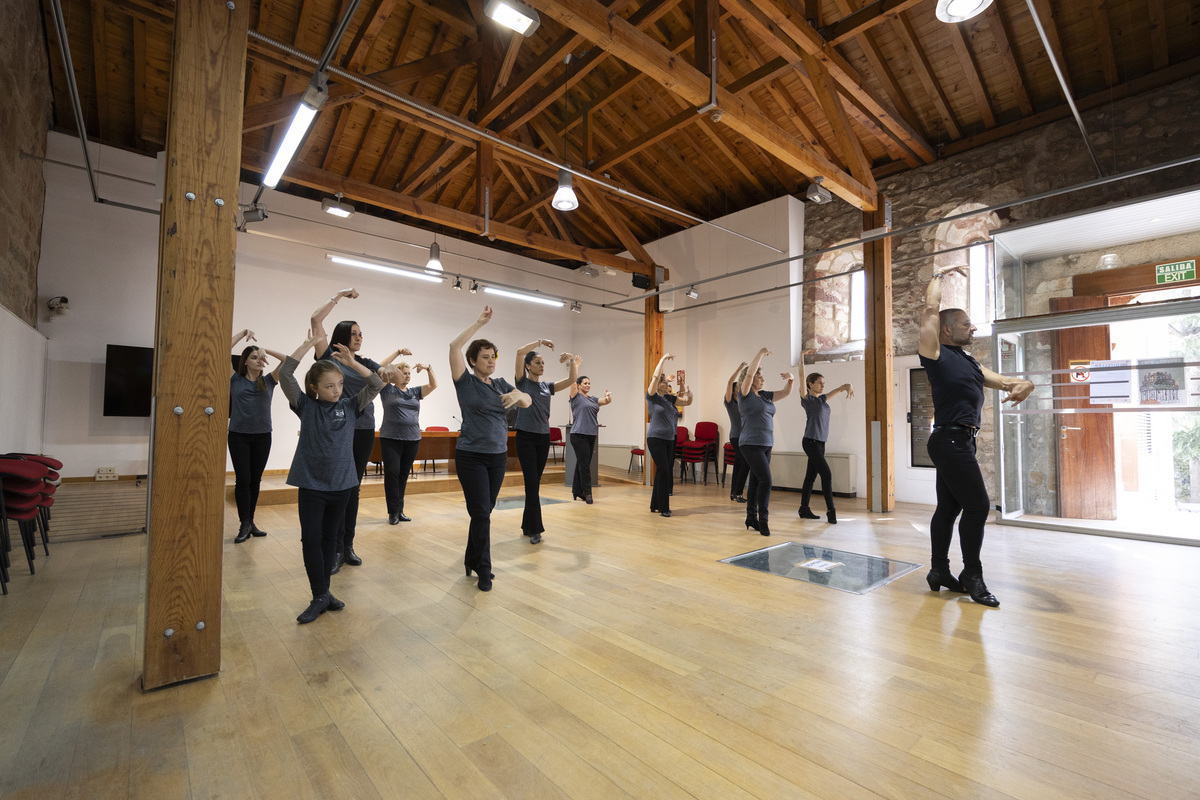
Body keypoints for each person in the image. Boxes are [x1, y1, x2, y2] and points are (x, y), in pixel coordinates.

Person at [919, 265, 1034, 607]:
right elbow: (929, 313)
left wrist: (1026, 383)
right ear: (948, 329)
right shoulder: (935, 354)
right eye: (968, 324)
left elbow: (1007, 381)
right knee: (979, 505)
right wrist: (938, 277)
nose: (974, 327)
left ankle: (939, 571)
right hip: (949, 440)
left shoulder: (969, 362)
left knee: (949, 507)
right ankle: (972, 574)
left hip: (961, 440)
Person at [278, 330, 383, 624]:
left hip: (342, 486)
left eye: (339, 384)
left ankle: (324, 594)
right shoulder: (305, 406)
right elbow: (286, 374)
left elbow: (376, 383)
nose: (337, 391)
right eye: (329, 386)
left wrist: (352, 362)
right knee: (310, 539)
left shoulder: (350, 407)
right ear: (314, 388)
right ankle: (319, 595)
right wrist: (306, 346)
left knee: (329, 540)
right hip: (311, 485)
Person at [450, 306, 531, 591]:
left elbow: (528, 402)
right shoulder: (465, 382)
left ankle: (471, 558)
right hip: (471, 456)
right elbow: (453, 346)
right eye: (484, 357)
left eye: (493, 356)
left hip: (497, 456)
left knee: (484, 511)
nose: (491, 361)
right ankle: (484, 569)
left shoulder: (500, 384)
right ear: (472, 360)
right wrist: (478, 323)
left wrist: (518, 394)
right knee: (482, 512)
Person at [310, 288, 384, 571]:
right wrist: (339, 295)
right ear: (343, 336)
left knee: (352, 488)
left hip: (363, 428)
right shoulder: (329, 357)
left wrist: (364, 365)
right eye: (354, 333)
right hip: (337, 429)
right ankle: (333, 545)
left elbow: (382, 379)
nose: (359, 337)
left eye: (361, 333)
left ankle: (347, 545)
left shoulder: (364, 362)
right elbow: (316, 320)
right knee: (336, 487)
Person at [513, 339, 577, 544]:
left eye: (543, 363)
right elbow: (519, 351)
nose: (542, 365)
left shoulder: (546, 387)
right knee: (532, 483)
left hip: (542, 438)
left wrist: (571, 361)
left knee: (534, 483)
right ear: (528, 365)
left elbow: (571, 380)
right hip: (525, 437)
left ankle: (526, 524)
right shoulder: (522, 382)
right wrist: (540, 343)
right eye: (538, 362)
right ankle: (536, 529)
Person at [228, 329, 286, 544]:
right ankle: (244, 523)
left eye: (261, 358)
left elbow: (287, 360)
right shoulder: (234, 379)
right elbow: (223, 348)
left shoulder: (269, 381)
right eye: (254, 357)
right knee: (243, 480)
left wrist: (265, 349)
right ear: (245, 362)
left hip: (263, 436)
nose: (260, 360)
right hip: (238, 436)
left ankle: (250, 521)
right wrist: (243, 333)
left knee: (255, 480)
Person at [738, 347, 794, 537]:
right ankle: (763, 521)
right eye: (759, 377)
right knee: (766, 480)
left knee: (756, 481)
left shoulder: (765, 396)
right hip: (750, 443)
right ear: (751, 378)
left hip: (766, 444)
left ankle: (750, 517)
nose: (762, 380)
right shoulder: (744, 395)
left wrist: (791, 379)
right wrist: (760, 354)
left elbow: (785, 393)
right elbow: (750, 373)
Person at [377, 353, 437, 525]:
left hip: (412, 438)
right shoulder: (387, 388)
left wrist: (428, 368)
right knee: (392, 474)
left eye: (409, 373)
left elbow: (434, 384)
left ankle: (400, 510)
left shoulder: (415, 392)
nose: (407, 375)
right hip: (390, 438)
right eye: (404, 372)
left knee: (403, 475)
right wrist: (396, 354)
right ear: (395, 374)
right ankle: (392, 512)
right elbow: (377, 371)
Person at [797, 348, 854, 524]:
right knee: (827, 475)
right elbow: (801, 377)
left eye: (823, 383)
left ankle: (804, 509)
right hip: (810, 442)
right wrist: (802, 358)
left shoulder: (821, 400)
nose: (823, 385)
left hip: (820, 443)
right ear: (810, 384)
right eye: (820, 383)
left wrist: (847, 386)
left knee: (810, 477)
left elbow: (836, 390)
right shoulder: (807, 399)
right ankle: (831, 511)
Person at [645, 353, 692, 517]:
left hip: (670, 439)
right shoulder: (652, 397)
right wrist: (663, 358)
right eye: (663, 382)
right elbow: (656, 375)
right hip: (655, 438)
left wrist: (689, 393)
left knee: (663, 471)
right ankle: (664, 507)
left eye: (666, 382)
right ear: (658, 385)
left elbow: (687, 402)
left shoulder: (670, 399)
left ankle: (655, 504)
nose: (665, 383)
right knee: (664, 469)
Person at [568, 358, 611, 504]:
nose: (588, 385)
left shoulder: (592, 399)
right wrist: (576, 366)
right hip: (578, 435)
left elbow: (605, 402)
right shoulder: (576, 397)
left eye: (589, 383)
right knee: (585, 465)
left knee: (582, 462)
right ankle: (588, 493)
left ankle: (576, 490)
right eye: (585, 383)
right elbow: (571, 382)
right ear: (579, 385)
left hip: (591, 434)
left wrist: (608, 398)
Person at [724, 362, 750, 503]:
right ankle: (738, 492)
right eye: (737, 386)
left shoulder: (743, 401)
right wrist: (739, 369)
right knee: (745, 462)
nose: (739, 388)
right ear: (733, 389)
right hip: (736, 436)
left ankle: (734, 492)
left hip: (745, 436)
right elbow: (729, 383)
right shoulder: (729, 402)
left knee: (739, 464)